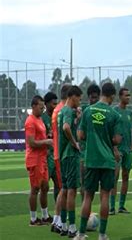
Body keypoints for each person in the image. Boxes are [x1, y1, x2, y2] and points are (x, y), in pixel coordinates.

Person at [75, 83, 122, 240]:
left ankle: (81, 233)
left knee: (88, 196)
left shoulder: (88, 111)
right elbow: (117, 139)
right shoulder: (114, 114)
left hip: (91, 159)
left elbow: (80, 135)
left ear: (101, 93)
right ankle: (102, 234)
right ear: (112, 95)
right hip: (107, 161)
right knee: (105, 197)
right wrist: (110, 140)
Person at [58, 85, 83, 237]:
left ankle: (63, 225)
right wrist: (75, 143)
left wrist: (77, 119)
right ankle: (73, 227)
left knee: (66, 190)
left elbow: (68, 125)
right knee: (72, 191)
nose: (80, 101)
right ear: (72, 96)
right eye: (79, 98)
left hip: (63, 156)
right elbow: (66, 128)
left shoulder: (62, 111)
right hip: (71, 155)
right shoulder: (67, 110)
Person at [25, 95, 53, 226]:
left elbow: (41, 137)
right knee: (35, 188)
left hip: (42, 158)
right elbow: (31, 143)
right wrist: (46, 142)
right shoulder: (30, 121)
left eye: (43, 107)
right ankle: (33, 218)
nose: (42, 109)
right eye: (41, 107)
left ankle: (45, 215)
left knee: (45, 187)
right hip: (34, 159)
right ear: (33, 106)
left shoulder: (40, 119)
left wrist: (47, 139)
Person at [109, 87, 132, 215]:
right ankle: (111, 206)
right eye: (126, 95)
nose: (128, 97)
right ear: (120, 97)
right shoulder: (114, 111)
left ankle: (121, 206)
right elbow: (109, 130)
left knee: (126, 177)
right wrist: (114, 147)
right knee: (114, 177)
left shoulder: (130, 114)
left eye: (129, 95)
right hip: (117, 150)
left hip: (128, 150)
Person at [50, 84, 71, 233]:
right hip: (62, 154)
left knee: (64, 188)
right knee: (65, 188)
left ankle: (59, 220)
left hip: (59, 153)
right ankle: (58, 221)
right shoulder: (62, 111)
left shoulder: (57, 110)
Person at [79, 84, 101, 201]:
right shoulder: (83, 110)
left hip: (99, 155)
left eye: (96, 98)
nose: (94, 100)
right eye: (92, 98)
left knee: (95, 187)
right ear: (88, 98)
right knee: (84, 185)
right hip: (84, 154)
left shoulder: (103, 112)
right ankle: (85, 209)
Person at [41, 92, 60, 202]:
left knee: (59, 184)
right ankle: (45, 214)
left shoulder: (57, 117)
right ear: (46, 104)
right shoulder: (42, 118)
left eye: (56, 104)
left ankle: (59, 214)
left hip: (56, 156)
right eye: (53, 104)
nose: (55, 106)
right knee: (44, 187)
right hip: (46, 157)